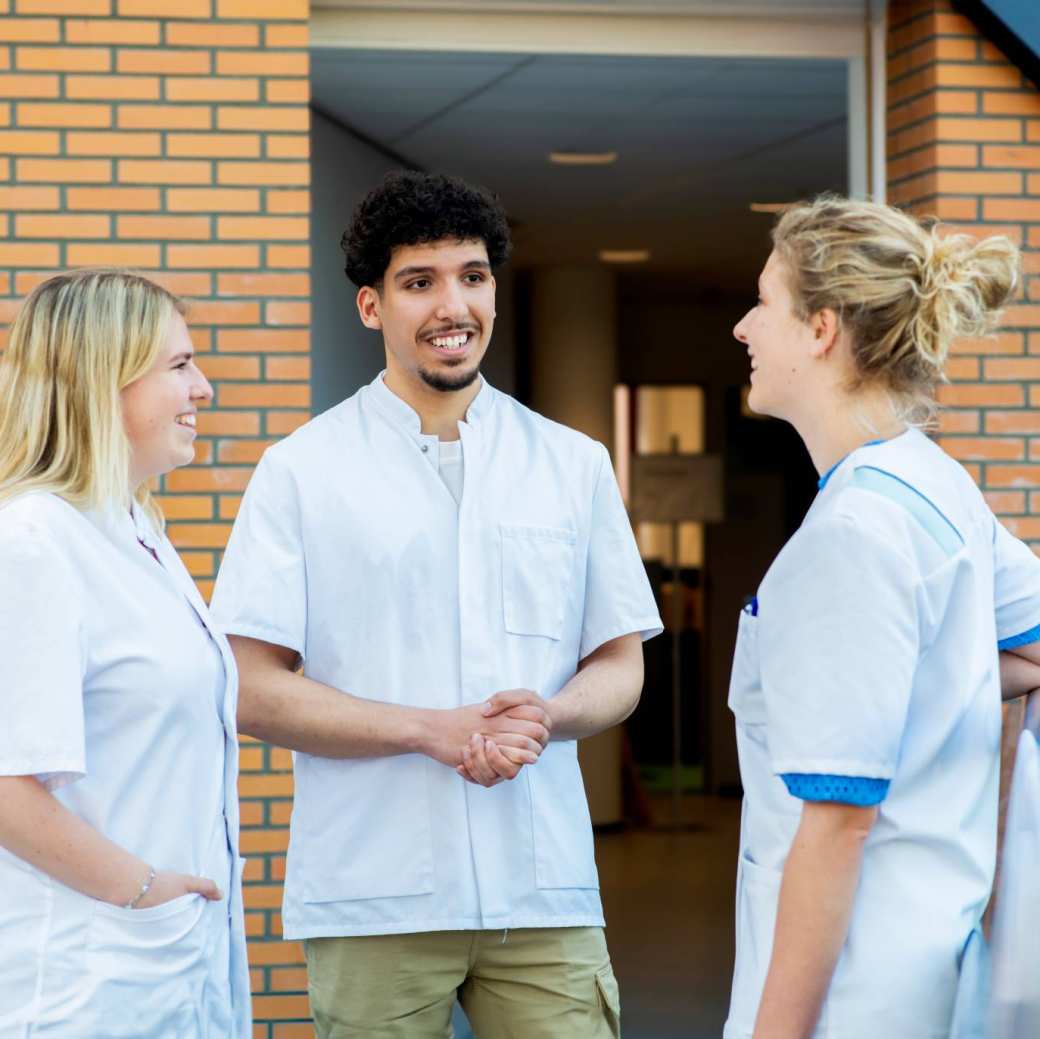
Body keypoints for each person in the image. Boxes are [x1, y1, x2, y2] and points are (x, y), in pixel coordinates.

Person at [211, 170, 662, 1038]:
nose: (453, 304)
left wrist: (553, 712)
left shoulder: (572, 463)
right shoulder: (302, 470)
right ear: (372, 306)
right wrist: (429, 729)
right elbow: (250, 686)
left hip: (544, 893)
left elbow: (620, 661)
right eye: (420, 282)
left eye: (473, 275)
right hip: (374, 891)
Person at [725, 195, 1040, 1039]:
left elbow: (835, 824)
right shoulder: (932, 481)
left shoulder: (852, 535)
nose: (743, 328)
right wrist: (944, 682)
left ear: (822, 328)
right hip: (926, 969)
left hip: (851, 1000)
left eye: (766, 302)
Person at [0, 270, 250, 1037]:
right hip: (88, 981)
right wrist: (145, 893)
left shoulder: (136, 531)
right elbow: (7, 786)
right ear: (101, 380)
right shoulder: (34, 542)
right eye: (179, 366)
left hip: (168, 967)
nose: (202, 388)